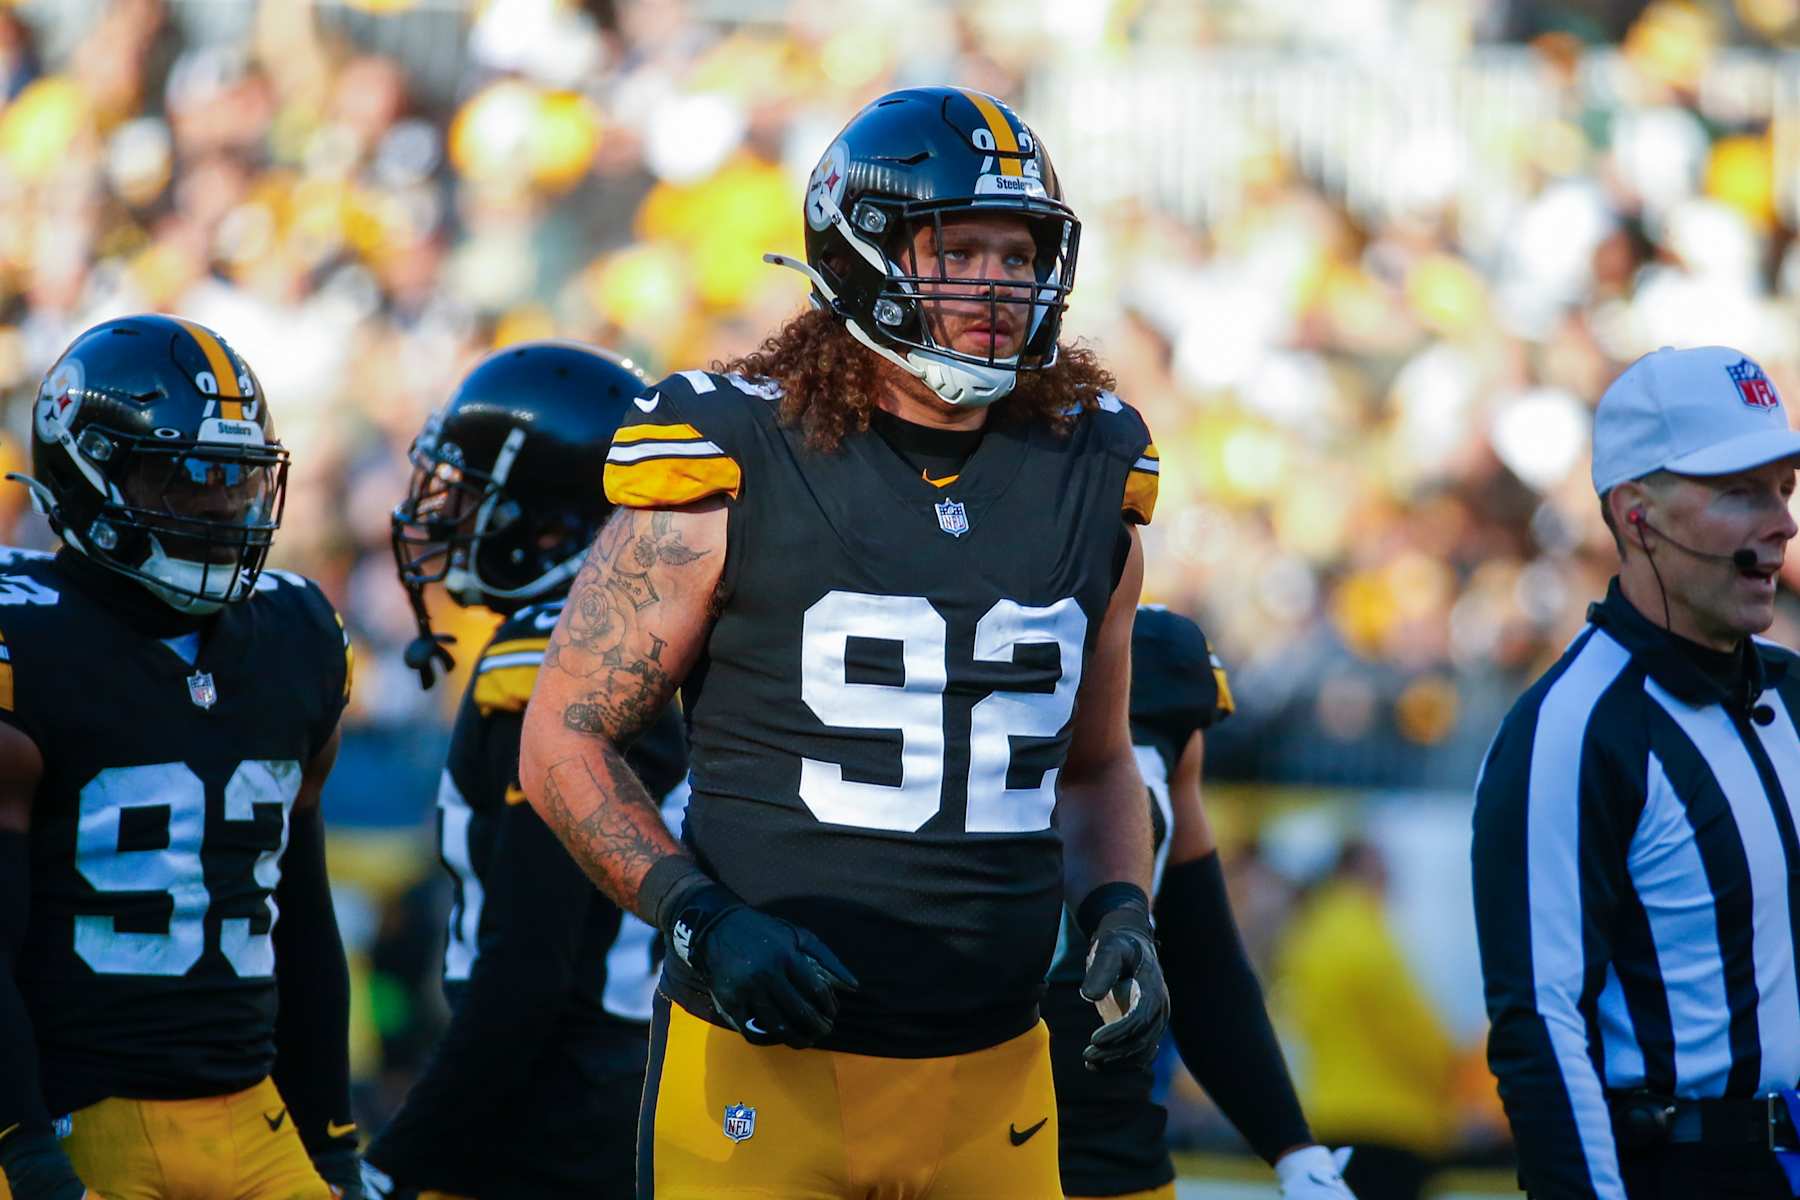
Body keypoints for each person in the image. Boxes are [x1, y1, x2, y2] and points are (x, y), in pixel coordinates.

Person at [518, 86, 1170, 1199]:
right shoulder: (734, 452)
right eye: (958, 249)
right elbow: (564, 739)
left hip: (998, 1081)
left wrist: (1119, 910)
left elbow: (1097, 767)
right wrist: (699, 917)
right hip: (765, 1077)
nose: (998, 286)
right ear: (862, 250)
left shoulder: (1090, 468)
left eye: (1019, 252)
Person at [0, 315, 360, 1200]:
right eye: (183, 474)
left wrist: (335, 1139)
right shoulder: (25, 640)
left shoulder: (298, 633)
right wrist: (20, 1141)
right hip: (82, 1109)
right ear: (83, 473)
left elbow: (303, 922)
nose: (219, 505)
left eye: (238, 478)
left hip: (258, 1113)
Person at [360, 342, 688, 1199]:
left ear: (550, 522)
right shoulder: (652, 636)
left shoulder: (548, 664)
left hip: (555, 1108)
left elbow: (528, 972)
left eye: (474, 495)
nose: (447, 515)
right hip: (639, 1080)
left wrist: (397, 1159)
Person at [1472, 345, 1800, 1200]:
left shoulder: (1793, 692)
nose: (1783, 523)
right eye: (1741, 492)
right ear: (1637, 514)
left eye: (1784, 488)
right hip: (1693, 1169)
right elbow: (1541, 1034)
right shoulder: (1571, 732)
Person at [1048, 605, 1354, 1200]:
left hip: (1105, 1144)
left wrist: (1295, 1151)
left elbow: (1199, 958)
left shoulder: (1154, 662)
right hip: (950, 1112)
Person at [1276, 839, 1457, 1200]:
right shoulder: (1367, 937)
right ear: (1360, 871)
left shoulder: (1308, 937)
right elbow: (1414, 1034)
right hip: (1388, 1124)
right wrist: (1452, 1074)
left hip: (1325, 1116)